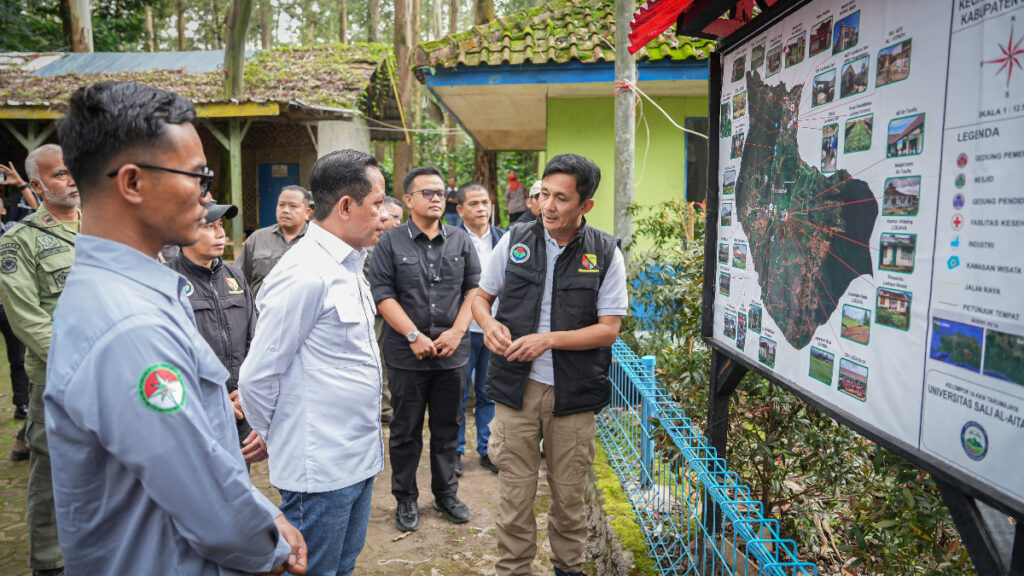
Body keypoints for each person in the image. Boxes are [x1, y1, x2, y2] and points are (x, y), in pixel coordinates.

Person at [43, 81, 306, 575]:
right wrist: (269, 548)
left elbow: (202, 448)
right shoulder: (130, 325)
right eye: (198, 177)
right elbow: (205, 501)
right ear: (133, 183)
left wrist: (264, 511)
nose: (206, 197)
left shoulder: (135, 291)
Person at [472, 154, 628, 576]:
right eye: (544, 194)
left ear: (585, 205)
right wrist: (488, 324)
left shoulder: (605, 252)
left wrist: (548, 340)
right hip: (516, 389)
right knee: (514, 495)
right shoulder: (516, 239)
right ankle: (513, 569)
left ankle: (568, 568)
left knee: (570, 496)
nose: (548, 206)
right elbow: (481, 297)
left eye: (561, 198)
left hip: (572, 394)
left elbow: (608, 330)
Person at [239, 149, 388, 576]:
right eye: (377, 203)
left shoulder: (349, 265)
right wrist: (277, 432)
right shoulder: (305, 272)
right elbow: (257, 375)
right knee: (315, 570)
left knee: (342, 566)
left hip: (358, 457)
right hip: (320, 468)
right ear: (346, 206)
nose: (383, 215)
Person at [369, 165, 480, 532]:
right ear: (408, 200)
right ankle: (405, 499)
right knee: (405, 430)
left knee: (449, 428)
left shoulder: (460, 240)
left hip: (452, 354)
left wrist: (457, 332)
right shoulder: (390, 241)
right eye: (427, 193)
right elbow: (382, 294)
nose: (436, 198)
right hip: (407, 356)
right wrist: (413, 335)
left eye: (440, 193)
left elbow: (474, 291)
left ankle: (446, 494)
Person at [0, 143, 80, 576]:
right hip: (58, 380)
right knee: (51, 473)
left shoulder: (105, 227)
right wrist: (83, 363)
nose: (72, 179)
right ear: (36, 184)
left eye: (74, 170)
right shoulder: (20, 240)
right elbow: (26, 319)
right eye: (60, 174)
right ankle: (48, 562)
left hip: (116, 376)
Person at [165, 202, 266, 466]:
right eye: (209, 226)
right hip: (193, 410)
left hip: (238, 411)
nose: (221, 233)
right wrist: (213, 398)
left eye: (220, 225)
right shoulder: (166, 280)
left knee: (237, 479)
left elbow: (255, 339)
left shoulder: (234, 276)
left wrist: (245, 391)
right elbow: (166, 355)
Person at [455, 182, 504, 476]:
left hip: (495, 330)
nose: (482, 208)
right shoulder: (450, 239)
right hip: (461, 330)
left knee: (489, 392)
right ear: (460, 209)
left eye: (485, 202)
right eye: (474, 203)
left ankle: (488, 449)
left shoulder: (505, 239)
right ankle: (455, 451)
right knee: (458, 394)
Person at [365, 195, 405, 423]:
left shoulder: (398, 244)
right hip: (374, 315)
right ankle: (381, 409)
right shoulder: (367, 243)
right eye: (394, 216)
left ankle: (388, 409)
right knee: (375, 361)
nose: (398, 222)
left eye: (401, 218)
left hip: (396, 314)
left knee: (389, 362)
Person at [236, 184, 312, 296]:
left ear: (307, 213)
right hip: (260, 307)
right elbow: (238, 279)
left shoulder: (316, 240)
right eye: (281, 205)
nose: (285, 210)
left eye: (293, 206)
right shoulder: (258, 238)